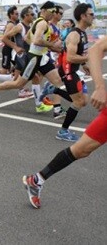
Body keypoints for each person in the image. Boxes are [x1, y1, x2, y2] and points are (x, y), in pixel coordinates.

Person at [22, 34, 106, 209]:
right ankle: (36, 180)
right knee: (81, 150)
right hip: (67, 73)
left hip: (70, 73)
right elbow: (95, 50)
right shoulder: (74, 34)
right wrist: (99, 87)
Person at [40, 3, 94, 141]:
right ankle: (63, 131)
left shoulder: (83, 34)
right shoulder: (74, 35)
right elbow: (70, 57)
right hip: (68, 71)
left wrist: (83, 64)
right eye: (91, 14)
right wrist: (90, 57)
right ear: (83, 16)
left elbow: (77, 54)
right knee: (79, 101)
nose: (93, 17)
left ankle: (54, 89)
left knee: (83, 100)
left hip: (74, 70)